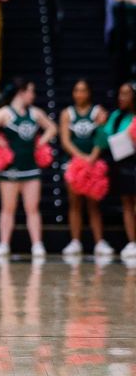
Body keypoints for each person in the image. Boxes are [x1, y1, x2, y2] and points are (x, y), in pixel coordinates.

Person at [0, 78, 57, 259]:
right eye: (31, 91)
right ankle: (4, 244)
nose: (33, 95)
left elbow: (52, 128)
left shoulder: (35, 113)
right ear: (21, 92)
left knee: (33, 208)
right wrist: (2, 145)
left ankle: (37, 244)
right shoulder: (6, 113)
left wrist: (40, 144)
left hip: (31, 168)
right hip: (10, 170)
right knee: (8, 208)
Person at [59, 80, 112, 257]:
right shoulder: (67, 113)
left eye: (83, 90)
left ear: (89, 92)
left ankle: (99, 242)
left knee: (94, 204)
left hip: (95, 164)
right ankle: (75, 242)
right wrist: (81, 158)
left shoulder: (99, 112)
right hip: (74, 164)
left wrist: (93, 156)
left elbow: (102, 136)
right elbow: (65, 140)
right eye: (76, 90)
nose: (80, 94)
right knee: (74, 203)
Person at [95, 82, 136, 259]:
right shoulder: (117, 116)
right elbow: (104, 142)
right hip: (124, 166)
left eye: (126, 94)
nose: (121, 97)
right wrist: (101, 126)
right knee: (127, 203)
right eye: (120, 93)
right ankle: (133, 242)